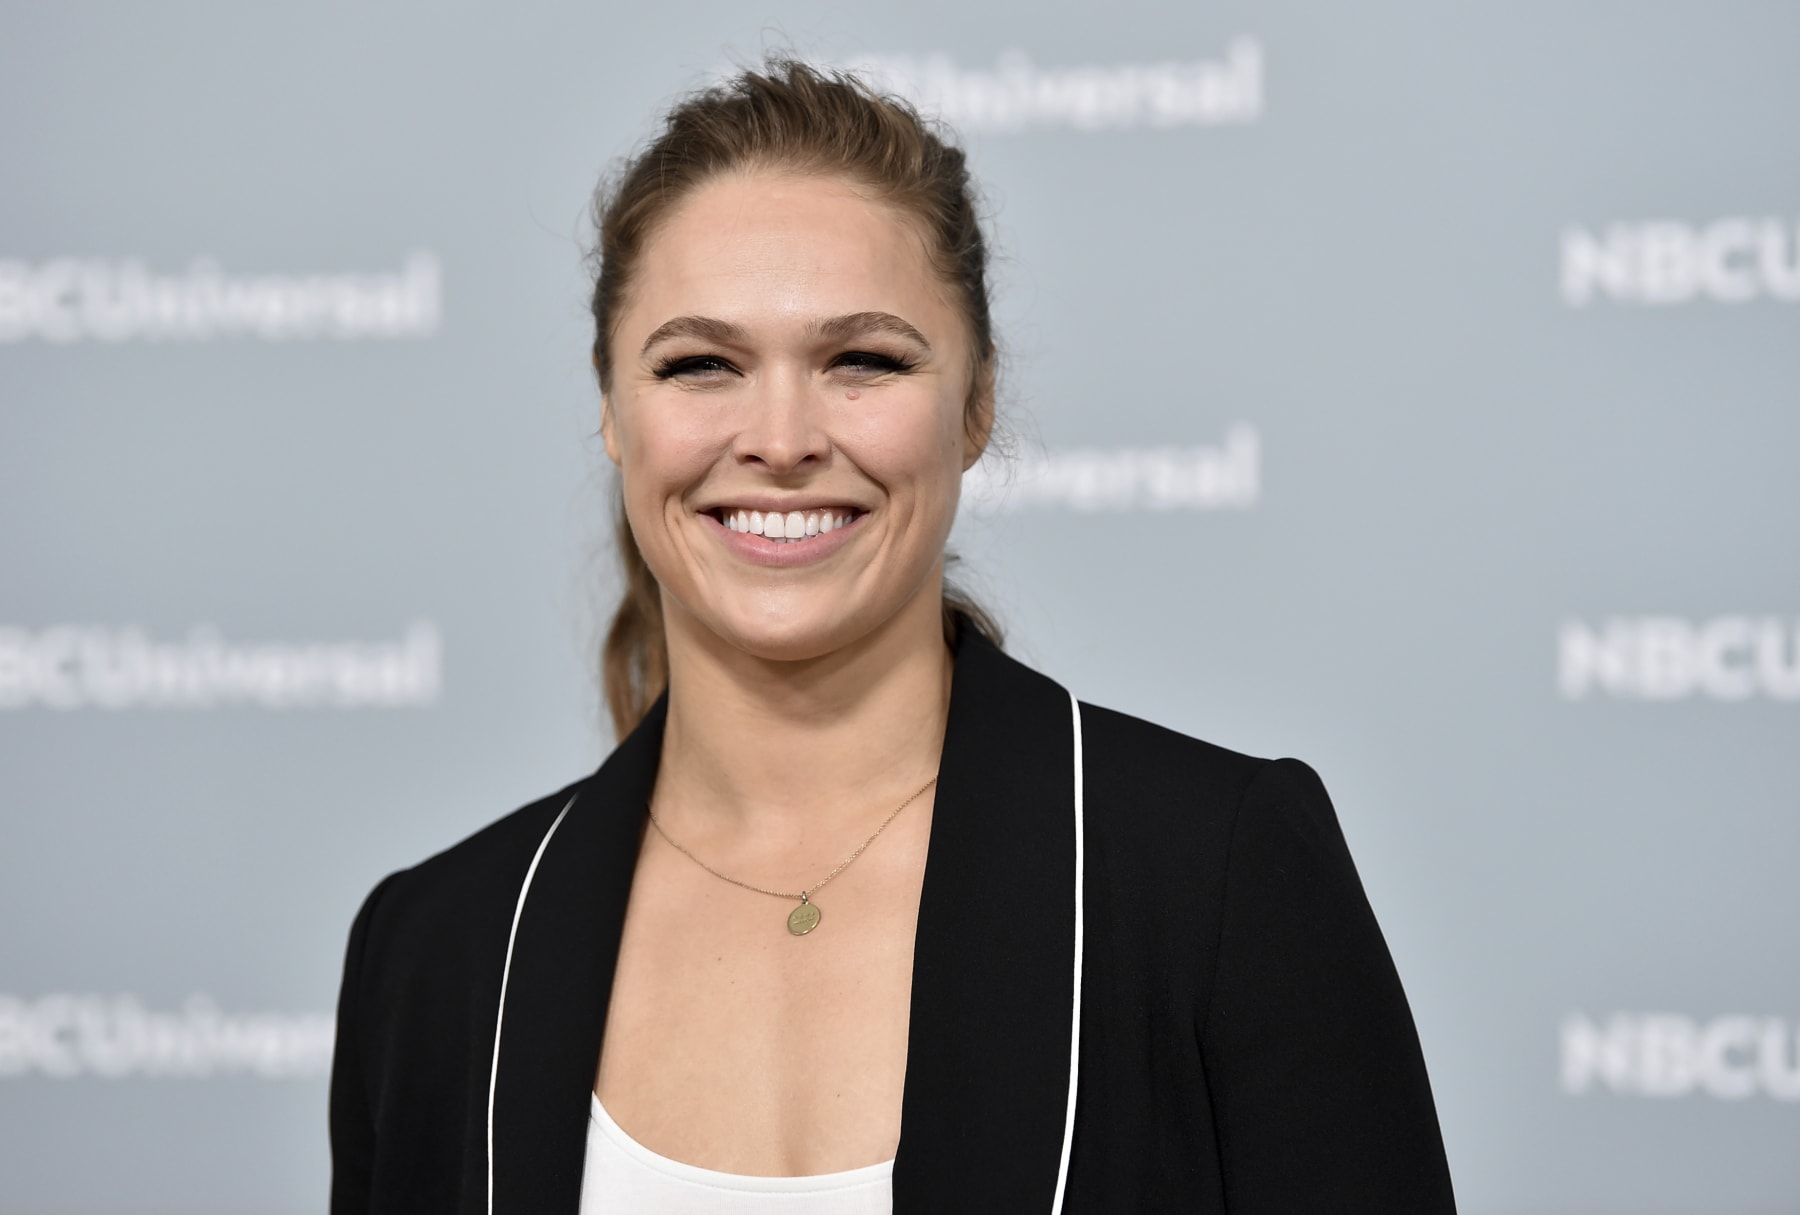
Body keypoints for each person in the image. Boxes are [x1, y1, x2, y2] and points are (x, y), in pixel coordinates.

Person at [328, 56, 1458, 1214]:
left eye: (860, 360)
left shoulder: (1219, 879)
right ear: (614, 413)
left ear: (974, 407)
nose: (780, 436)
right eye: (700, 364)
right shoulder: (436, 949)